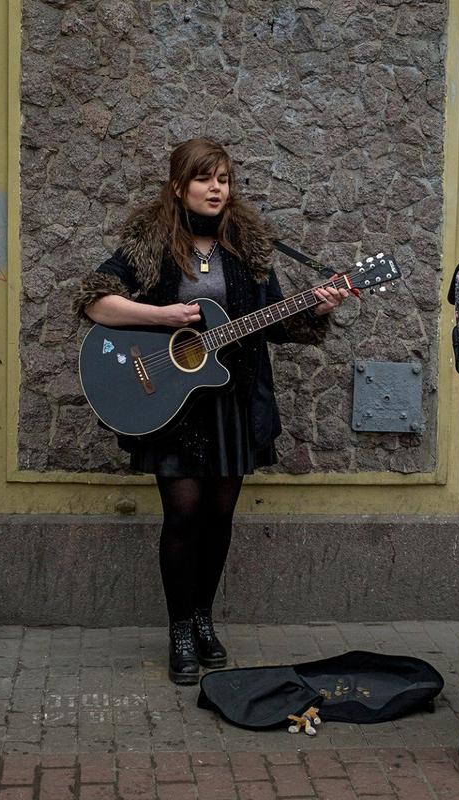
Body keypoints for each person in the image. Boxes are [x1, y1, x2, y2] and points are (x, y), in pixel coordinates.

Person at [74, 138, 349, 685]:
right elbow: (94, 300)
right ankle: (178, 629)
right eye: (204, 178)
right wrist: (163, 316)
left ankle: (202, 618)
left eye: (223, 178)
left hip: (233, 402)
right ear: (179, 185)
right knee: (182, 516)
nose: (216, 188)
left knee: (219, 518)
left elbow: (273, 322)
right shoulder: (149, 243)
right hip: (171, 405)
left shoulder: (249, 247)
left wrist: (316, 307)